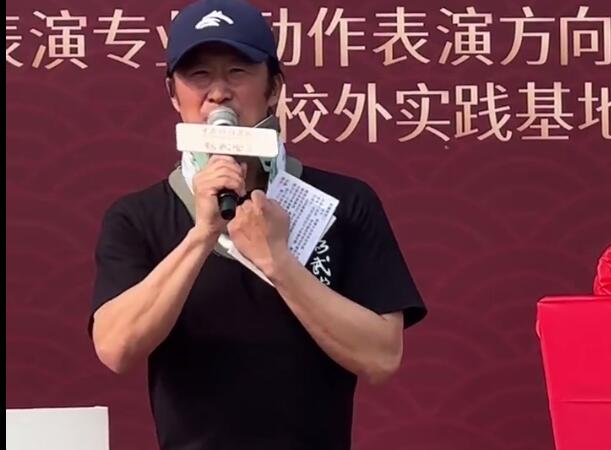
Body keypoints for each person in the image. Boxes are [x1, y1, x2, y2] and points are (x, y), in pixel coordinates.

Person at [89, 0, 427, 449]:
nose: (218, 94)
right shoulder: (138, 216)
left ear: (274, 89)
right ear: (173, 94)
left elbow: (382, 357)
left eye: (238, 72)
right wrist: (202, 236)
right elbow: (116, 348)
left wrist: (279, 262)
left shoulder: (345, 202)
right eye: (199, 75)